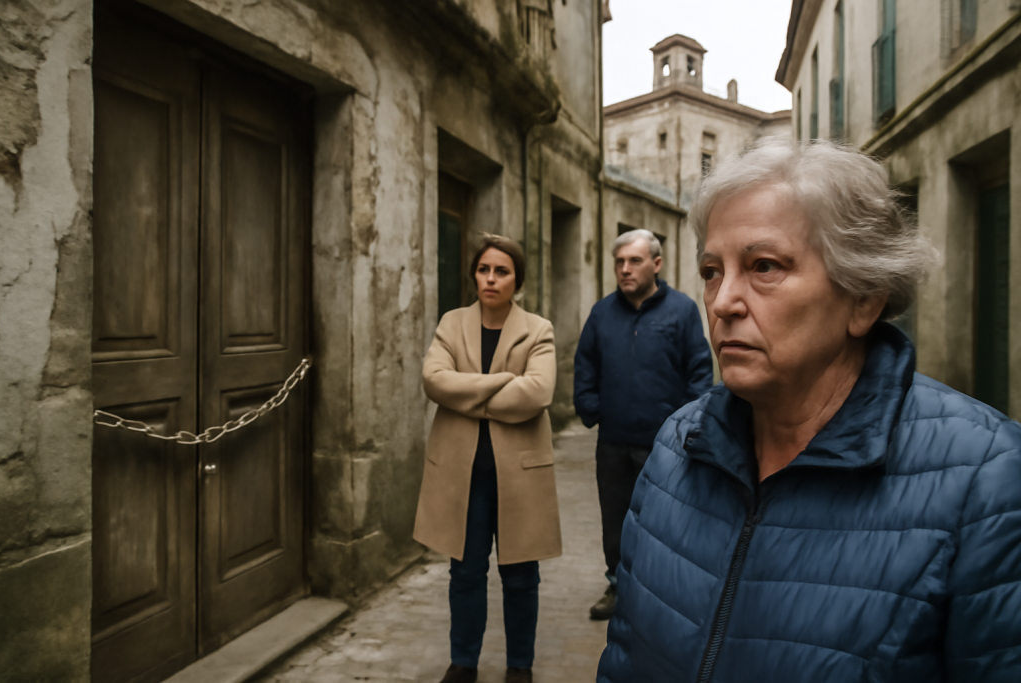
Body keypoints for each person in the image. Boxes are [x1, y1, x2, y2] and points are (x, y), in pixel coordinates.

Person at [597, 138, 1021, 683]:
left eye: (764, 266)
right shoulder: (677, 445)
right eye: (710, 271)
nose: (723, 300)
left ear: (863, 297)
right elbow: (625, 658)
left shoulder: (988, 481)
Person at [414, 234, 561, 683]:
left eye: (501, 271)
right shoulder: (451, 322)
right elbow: (434, 381)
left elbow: (537, 393)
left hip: (519, 473)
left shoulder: (538, 329)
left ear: (517, 280)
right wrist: (501, 383)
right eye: (484, 269)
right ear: (474, 273)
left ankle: (520, 665)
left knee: (520, 575)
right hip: (462, 472)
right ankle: (464, 662)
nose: (491, 279)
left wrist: (468, 391)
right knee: (465, 572)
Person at [573, 228, 714, 620]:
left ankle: (662, 593)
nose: (625, 269)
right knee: (615, 518)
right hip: (614, 441)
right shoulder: (603, 312)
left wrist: (690, 427)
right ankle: (618, 586)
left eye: (634, 261)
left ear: (656, 264)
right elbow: (585, 365)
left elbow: (700, 372)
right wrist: (591, 407)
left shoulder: (682, 310)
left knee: (667, 519)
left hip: (666, 445)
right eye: (619, 262)